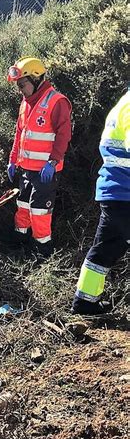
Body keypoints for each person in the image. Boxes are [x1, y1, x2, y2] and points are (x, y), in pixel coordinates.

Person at [71, 87, 130, 315]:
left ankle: (84, 302)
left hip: (113, 192)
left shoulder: (122, 104)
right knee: (105, 248)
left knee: (105, 249)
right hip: (125, 194)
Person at [7, 57, 72, 258]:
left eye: (22, 85)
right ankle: (20, 245)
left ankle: (43, 253)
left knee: (39, 213)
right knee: (23, 207)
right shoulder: (25, 104)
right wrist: (12, 159)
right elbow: (20, 133)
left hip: (46, 172)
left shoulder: (57, 101)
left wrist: (52, 162)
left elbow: (64, 135)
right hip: (27, 170)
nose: (20, 90)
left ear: (35, 79)